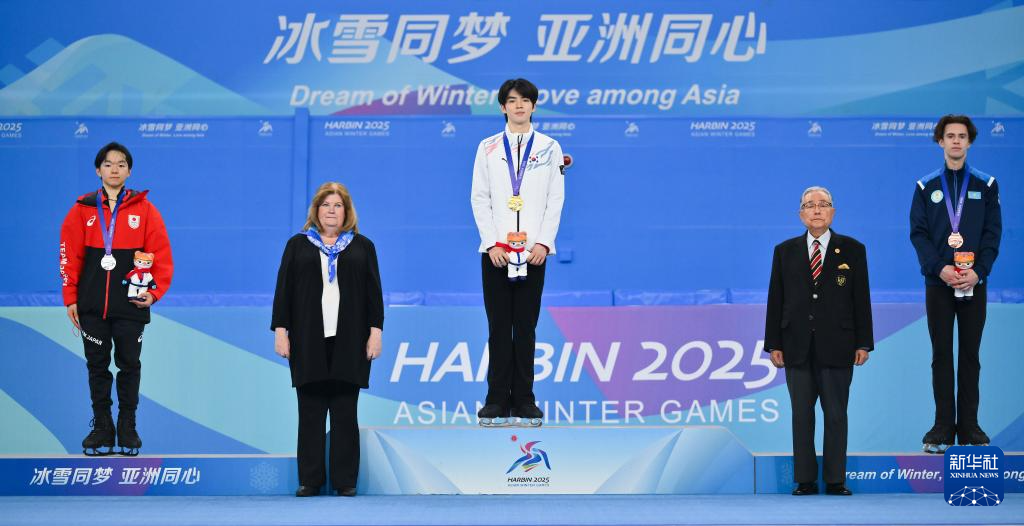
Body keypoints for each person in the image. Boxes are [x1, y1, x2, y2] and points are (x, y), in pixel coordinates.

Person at [60, 141, 174, 456]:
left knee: (129, 365)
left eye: (121, 164)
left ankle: (127, 427)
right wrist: (71, 298)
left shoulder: (145, 210)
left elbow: (161, 255)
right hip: (91, 306)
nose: (114, 169)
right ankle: (102, 427)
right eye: (108, 164)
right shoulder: (82, 209)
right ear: (98, 170)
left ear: (129, 171)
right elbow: (69, 257)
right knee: (97, 366)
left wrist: (154, 293)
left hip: (131, 305)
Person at [271, 182, 383, 497]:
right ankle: (310, 480)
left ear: (346, 212)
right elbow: (284, 290)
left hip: (351, 340)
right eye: (325, 205)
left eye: (337, 205)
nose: (331, 211)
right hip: (308, 340)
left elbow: (374, 293)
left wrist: (375, 332)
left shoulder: (362, 246)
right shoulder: (297, 245)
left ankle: (345, 481)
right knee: (310, 411)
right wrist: (281, 331)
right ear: (316, 211)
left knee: (346, 411)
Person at [764, 186, 873, 496]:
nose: (816, 210)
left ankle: (836, 479)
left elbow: (861, 298)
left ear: (832, 212)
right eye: (809, 205)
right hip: (796, 346)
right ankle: (805, 480)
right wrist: (774, 344)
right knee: (801, 416)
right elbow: (776, 299)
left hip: (838, 345)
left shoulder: (852, 249)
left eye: (822, 204)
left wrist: (863, 342)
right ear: (800, 214)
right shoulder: (784, 251)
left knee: (836, 415)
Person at [470, 78, 565, 427]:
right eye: (512, 100)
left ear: (534, 106)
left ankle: (525, 399)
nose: (519, 105)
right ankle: (496, 399)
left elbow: (555, 199)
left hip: (533, 253)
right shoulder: (488, 147)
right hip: (496, 254)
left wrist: (543, 243)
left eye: (525, 100)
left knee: (526, 328)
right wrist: (492, 242)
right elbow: (479, 197)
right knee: (498, 328)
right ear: (503, 107)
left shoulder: (550, 147)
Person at [910, 115, 1002, 453]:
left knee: (970, 355)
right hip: (939, 285)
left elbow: (992, 233)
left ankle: (970, 426)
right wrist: (939, 269)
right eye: (950, 136)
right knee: (941, 355)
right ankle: (942, 427)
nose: (956, 141)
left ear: (970, 142)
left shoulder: (986, 185)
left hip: (974, 282)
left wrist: (979, 271)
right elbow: (918, 234)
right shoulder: (925, 187)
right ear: (940, 141)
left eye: (962, 136)